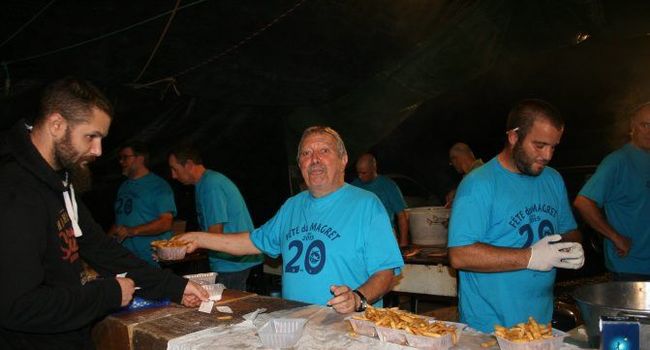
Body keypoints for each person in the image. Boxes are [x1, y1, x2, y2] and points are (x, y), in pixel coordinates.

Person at [0, 77, 207, 349]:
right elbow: (17, 307)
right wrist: (107, 293)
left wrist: (173, 287)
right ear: (56, 125)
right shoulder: (14, 191)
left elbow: (101, 248)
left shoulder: (60, 181)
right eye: (91, 137)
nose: (98, 151)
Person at [175, 126, 404, 314]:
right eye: (306, 153)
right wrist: (198, 238)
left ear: (343, 160)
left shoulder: (366, 204)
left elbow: (385, 272)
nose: (314, 159)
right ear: (300, 165)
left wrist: (358, 298)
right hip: (295, 325)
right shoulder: (292, 206)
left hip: (348, 328)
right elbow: (252, 242)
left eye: (324, 151)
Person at [447, 99, 585, 333]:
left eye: (553, 146)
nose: (548, 155)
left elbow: (569, 231)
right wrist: (530, 257)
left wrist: (568, 248)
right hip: (490, 329)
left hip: (539, 323)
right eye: (539, 145)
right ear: (513, 137)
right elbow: (460, 255)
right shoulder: (479, 184)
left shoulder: (552, 179)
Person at [168, 145, 263, 291]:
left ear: (188, 165)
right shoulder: (206, 183)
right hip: (232, 262)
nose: (173, 175)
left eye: (175, 169)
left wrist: (177, 250)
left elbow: (215, 234)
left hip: (232, 263)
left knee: (229, 310)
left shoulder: (210, 185)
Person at [574, 102, 650, 281]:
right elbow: (583, 202)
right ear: (632, 126)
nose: (649, 131)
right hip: (630, 268)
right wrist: (615, 237)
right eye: (644, 125)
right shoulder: (617, 161)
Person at [108, 142, 177, 266]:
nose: (121, 161)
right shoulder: (124, 186)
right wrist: (106, 243)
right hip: (126, 259)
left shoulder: (159, 186)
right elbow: (121, 220)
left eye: (125, 157)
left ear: (140, 159)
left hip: (151, 260)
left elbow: (165, 223)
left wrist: (131, 231)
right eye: (120, 158)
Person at [351, 153, 409, 247]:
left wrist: (403, 243)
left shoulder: (388, 186)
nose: (360, 176)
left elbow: (402, 216)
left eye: (364, 173)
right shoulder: (354, 187)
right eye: (358, 173)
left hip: (384, 235)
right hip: (360, 236)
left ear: (374, 169)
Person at [445, 142, 483, 208]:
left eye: (451, 162)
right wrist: (457, 191)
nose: (452, 165)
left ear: (455, 160)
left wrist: (455, 202)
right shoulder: (482, 170)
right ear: (472, 154)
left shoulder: (475, 175)